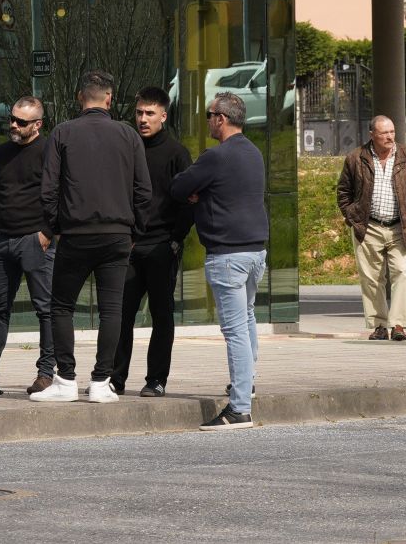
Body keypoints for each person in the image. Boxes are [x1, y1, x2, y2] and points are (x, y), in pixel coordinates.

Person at [33, 70, 152, 403]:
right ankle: (102, 382)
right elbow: (144, 191)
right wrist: (135, 231)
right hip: (117, 234)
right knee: (112, 310)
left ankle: (66, 379)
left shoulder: (63, 133)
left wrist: (56, 227)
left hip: (75, 234)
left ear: (78, 97)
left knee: (61, 307)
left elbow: (49, 189)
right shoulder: (128, 136)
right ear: (110, 99)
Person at [171, 91, 269, 430]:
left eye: (209, 114)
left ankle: (239, 407)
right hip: (256, 251)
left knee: (235, 330)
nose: (208, 120)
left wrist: (197, 194)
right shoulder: (254, 153)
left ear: (221, 119)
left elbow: (177, 187)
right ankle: (247, 384)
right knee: (248, 317)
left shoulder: (216, 157)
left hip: (228, 255)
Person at [111, 85, 191, 397]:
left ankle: (156, 379)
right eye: (139, 113)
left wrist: (175, 239)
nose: (143, 119)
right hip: (129, 246)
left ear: (163, 116)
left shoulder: (177, 154)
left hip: (162, 246)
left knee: (162, 315)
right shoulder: (127, 149)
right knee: (121, 314)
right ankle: (115, 378)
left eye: (149, 113)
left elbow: (189, 202)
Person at [0, 94, 56, 397]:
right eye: (11, 118)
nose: (13, 124)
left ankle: (46, 373)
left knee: (45, 308)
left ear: (37, 124)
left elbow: (62, 194)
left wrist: (47, 233)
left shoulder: (49, 151)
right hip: (2, 240)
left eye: (21, 122)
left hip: (34, 240)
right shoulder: (1, 153)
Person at [336, 115, 406, 341]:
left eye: (392, 132)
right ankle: (378, 325)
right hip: (369, 226)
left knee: (404, 276)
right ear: (372, 134)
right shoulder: (356, 158)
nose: (389, 136)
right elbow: (343, 192)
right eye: (384, 133)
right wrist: (352, 216)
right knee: (371, 278)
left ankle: (398, 325)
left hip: (402, 227)